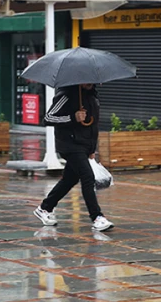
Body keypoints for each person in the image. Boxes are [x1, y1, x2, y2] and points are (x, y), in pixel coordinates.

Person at [34, 84, 114, 232]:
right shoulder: (65, 94)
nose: (88, 82)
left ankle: (45, 208)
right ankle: (97, 217)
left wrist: (92, 149)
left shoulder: (93, 97)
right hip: (69, 144)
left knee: (69, 180)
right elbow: (48, 118)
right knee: (87, 176)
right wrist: (73, 117)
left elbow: (94, 125)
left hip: (84, 145)